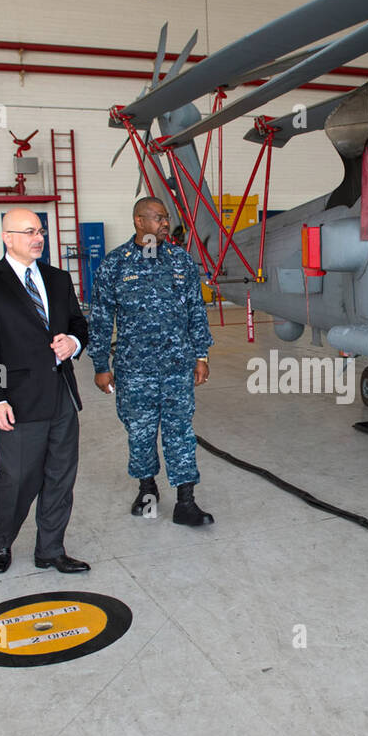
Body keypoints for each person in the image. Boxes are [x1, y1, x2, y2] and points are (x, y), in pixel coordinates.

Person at [0, 208, 91, 575]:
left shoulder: (57, 279)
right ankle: (2, 540)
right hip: (18, 400)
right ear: (7, 237)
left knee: (60, 476)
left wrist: (72, 342)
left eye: (40, 231)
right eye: (28, 232)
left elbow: (79, 324)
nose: (38, 238)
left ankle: (50, 549)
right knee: (16, 478)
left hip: (61, 395)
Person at [88, 197, 214, 526]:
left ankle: (186, 501)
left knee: (180, 433)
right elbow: (100, 319)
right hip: (134, 370)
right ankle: (147, 490)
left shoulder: (181, 262)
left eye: (165, 217)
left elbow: (196, 311)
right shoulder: (115, 265)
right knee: (141, 433)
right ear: (138, 222)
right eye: (157, 217)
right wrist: (101, 365)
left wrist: (201, 354)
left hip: (177, 367)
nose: (163, 223)